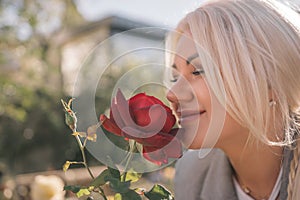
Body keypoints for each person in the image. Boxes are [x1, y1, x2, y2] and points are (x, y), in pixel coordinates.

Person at [165, 0, 300, 199]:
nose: (172, 93)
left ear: (270, 82)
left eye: (199, 71)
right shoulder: (191, 174)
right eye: (175, 78)